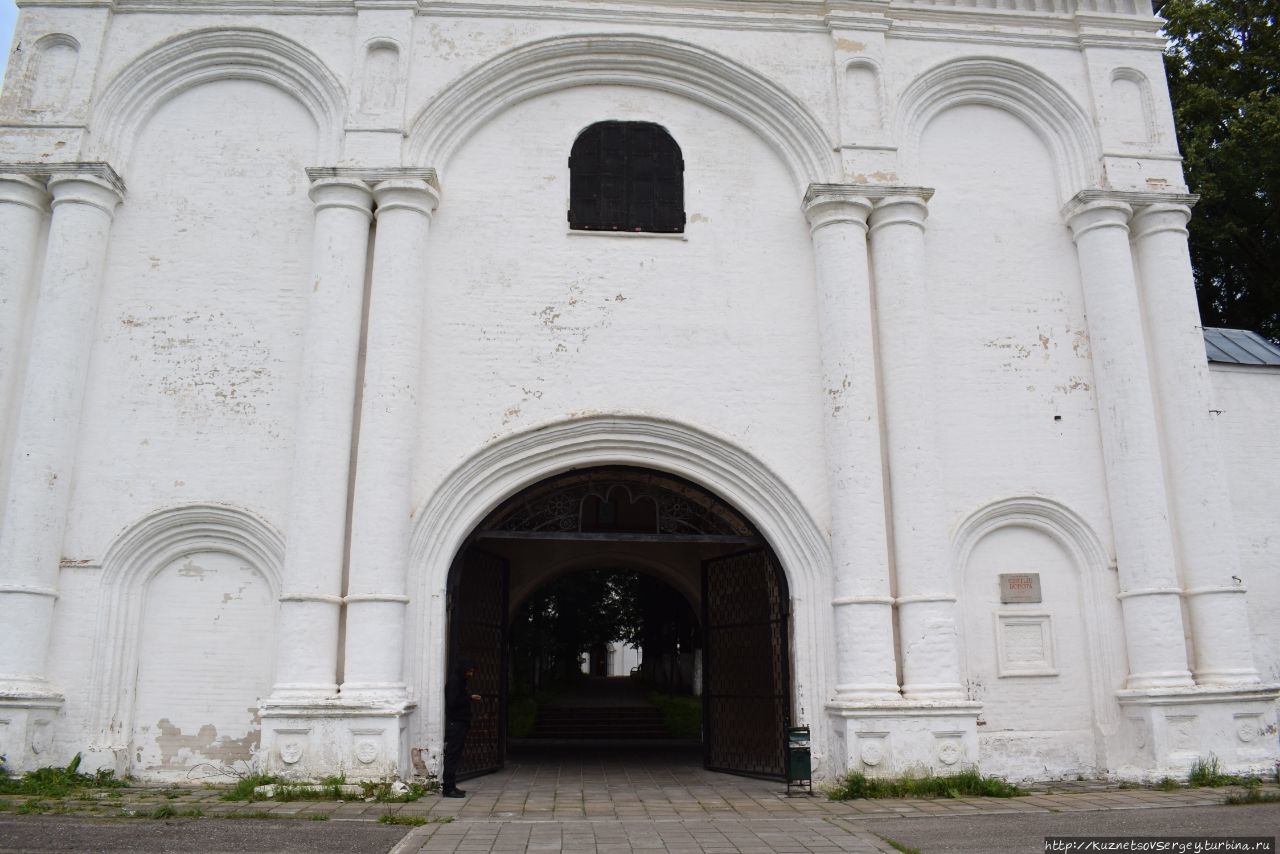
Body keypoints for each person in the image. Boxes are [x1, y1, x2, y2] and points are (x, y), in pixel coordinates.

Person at [441, 657, 480, 798]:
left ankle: (452, 786)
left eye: (472, 671)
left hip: (459, 723)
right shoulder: (455, 682)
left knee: (455, 755)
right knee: (452, 755)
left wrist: (469, 697)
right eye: (469, 671)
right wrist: (467, 699)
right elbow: (453, 702)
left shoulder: (459, 682)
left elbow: (458, 698)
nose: (471, 674)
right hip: (456, 723)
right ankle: (448, 788)